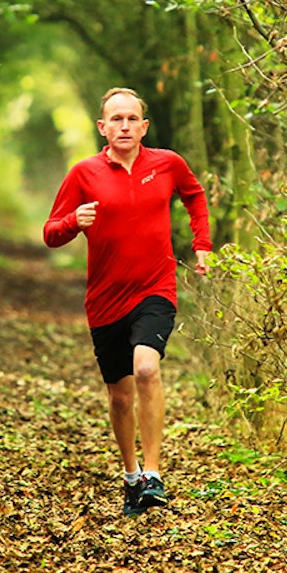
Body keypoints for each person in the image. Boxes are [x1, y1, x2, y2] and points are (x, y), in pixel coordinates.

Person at [43, 87, 212, 516]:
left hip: (156, 287)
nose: (124, 126)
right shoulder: (84, 173)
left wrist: (202, 243)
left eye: (131, 119)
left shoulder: (167, 164)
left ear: (143, 126)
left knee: (147, 368)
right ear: (102, 127)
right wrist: (72, 221)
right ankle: (132, 475)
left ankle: (153, 475)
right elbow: (50, 233)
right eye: (115, 119)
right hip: (105, 300)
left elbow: (194, 195)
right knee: (119, 396)